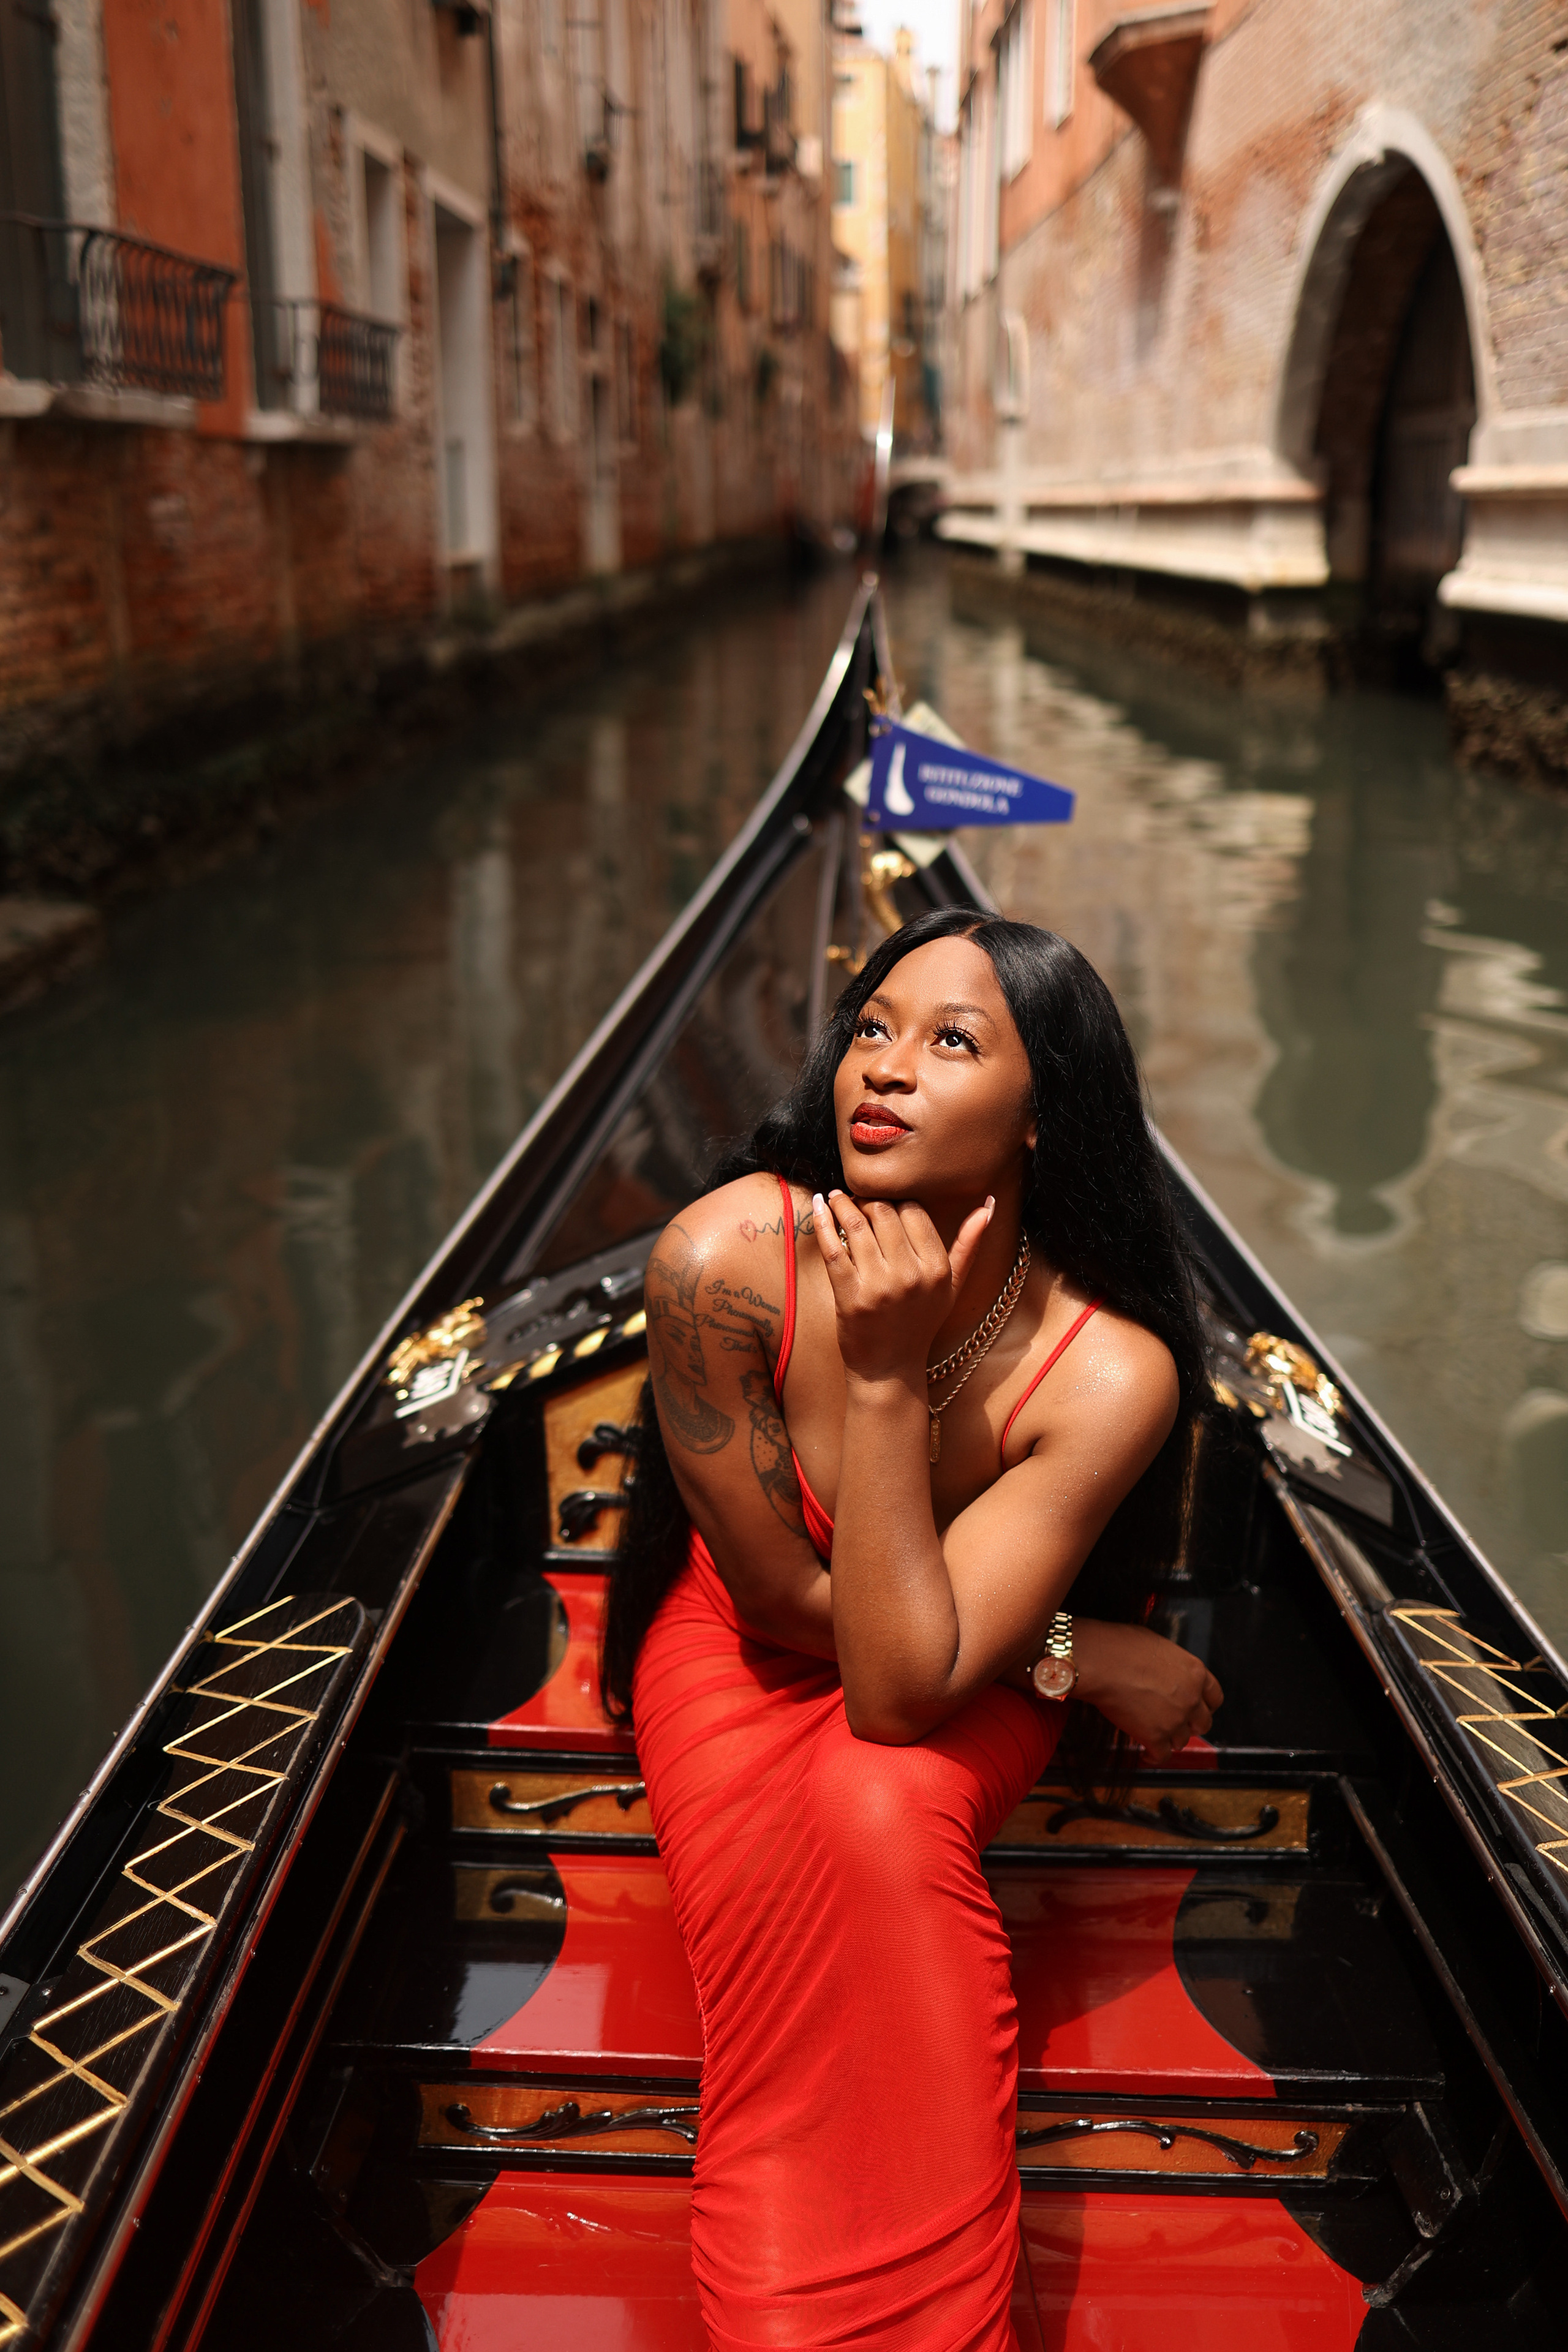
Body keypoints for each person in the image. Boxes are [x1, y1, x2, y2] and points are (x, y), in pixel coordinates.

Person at [601, 909, 1222, 2352]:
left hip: (936, 1678)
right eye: (869, 1029)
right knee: (853, 1802)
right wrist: (1076, 1655)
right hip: (742, 1651)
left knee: (877, 1801)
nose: (882, 1068)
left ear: (1039, 1119)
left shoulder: (1106, 1369)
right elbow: (777, 1599)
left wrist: (882, 1383)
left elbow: (898, 1695)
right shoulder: (723, 1260)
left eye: (951, 1042)